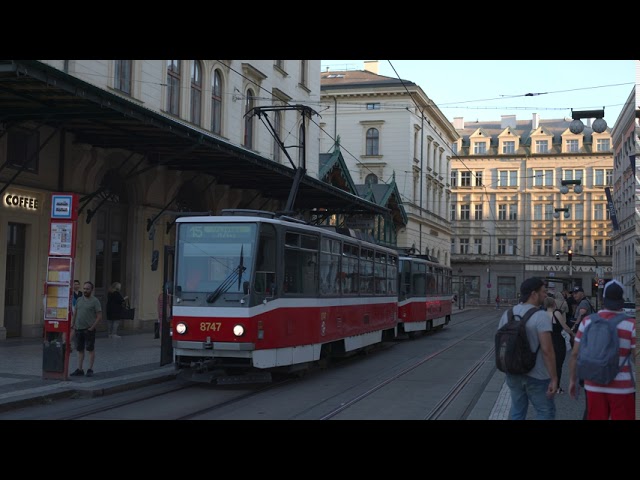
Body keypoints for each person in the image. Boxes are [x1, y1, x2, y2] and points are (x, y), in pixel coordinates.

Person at [568, 279, 636, 420]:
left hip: (594, 384)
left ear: (603, 299)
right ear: (621, 299)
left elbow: (575, 354)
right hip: (623, 387)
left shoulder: (587, 322)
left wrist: (572, 380)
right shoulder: (631, 325)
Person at [497, 277, 558, 420]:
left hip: (513, 373)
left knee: (517, 411)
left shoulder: (507, 314)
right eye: (543, 291)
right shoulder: (541, 316)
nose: (545, 295)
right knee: (544, 412)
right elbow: (547, 351)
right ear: (533, 294)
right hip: (537, 375)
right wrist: (554, 378)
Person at [70, 281, 102, 377]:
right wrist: (73, 323)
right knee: (80, 350)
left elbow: (99, 316)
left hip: (88, 329)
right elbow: (75, 312)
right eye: (84, 289)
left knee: (90, 349)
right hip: (78, 328)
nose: (85, 290)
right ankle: (80, 369)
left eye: (87, 289)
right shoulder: (79, 300)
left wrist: (92, 328)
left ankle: (90, 369)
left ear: (92, 290)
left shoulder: (95, 301)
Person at [543, 296, 574, 393]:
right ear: (554, 303)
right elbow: (565, 327)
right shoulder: (556, 313)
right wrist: (573, 334)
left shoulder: (542, 314)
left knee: (548, 364)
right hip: (558, 342)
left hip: (546, 341)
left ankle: (548, 385)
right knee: (558, 365)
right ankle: (556, 387)